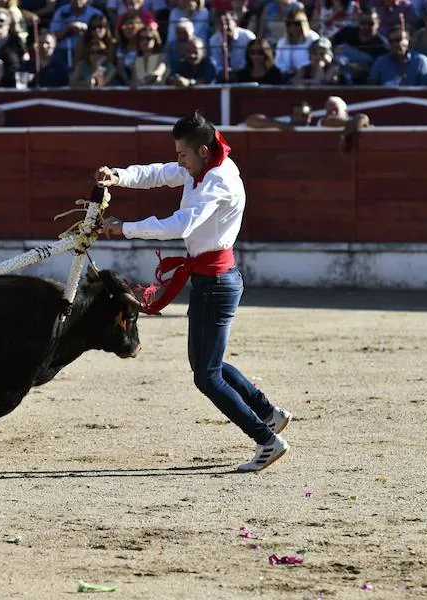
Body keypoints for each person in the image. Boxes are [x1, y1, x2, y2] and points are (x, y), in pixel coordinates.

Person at [93, 111, 292, 473]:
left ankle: (266, 439)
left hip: (214, 284)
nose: (179, 161)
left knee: (206, 375)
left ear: (202, 150)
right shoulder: (202, 166)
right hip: (212, 279)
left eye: (183, 154)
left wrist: (125, 229)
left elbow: (182, 223)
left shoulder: (218, 181)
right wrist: (119, 176)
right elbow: (159, 173)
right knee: (209, 364)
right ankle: (268, 413)